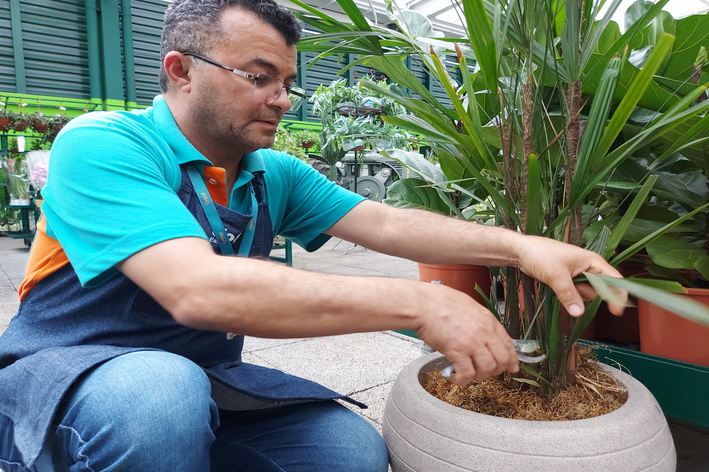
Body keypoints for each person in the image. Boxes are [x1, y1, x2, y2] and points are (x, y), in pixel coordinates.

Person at [0, 0, 626, 470]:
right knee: (159, 396)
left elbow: (384, 222)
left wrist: (519, 245)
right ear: (181, 70)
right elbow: (197, 290)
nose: (283, 99)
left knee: (346, 450)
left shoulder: (271, 173)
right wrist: (423, 302)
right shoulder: (104, 143)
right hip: (64, 386)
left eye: (288, 82)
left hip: (198, 387)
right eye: (260, 76)